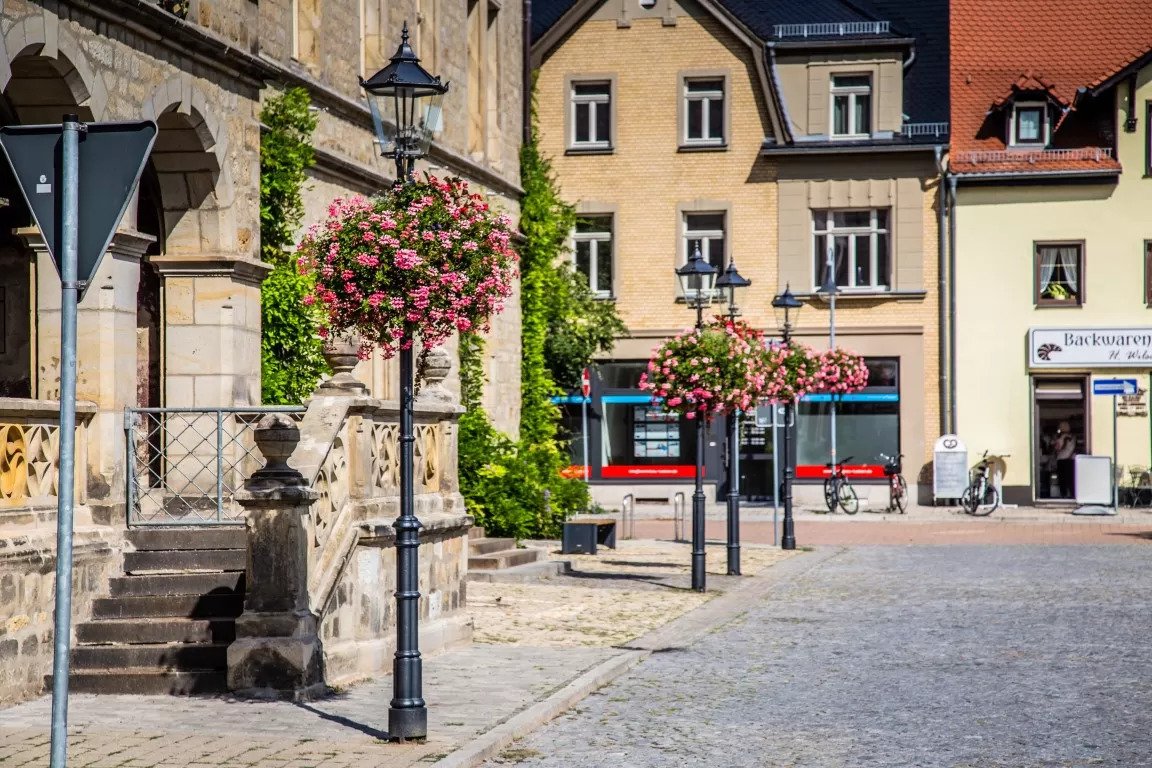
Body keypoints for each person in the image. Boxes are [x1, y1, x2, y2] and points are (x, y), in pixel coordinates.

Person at [1053, 421, 1077, 499]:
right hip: (1071, 459)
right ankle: (1073, 494)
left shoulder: (1061, 437)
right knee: (1071, 478)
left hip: (1062, 459)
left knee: (1062, 479)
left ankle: (1063, 494)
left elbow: (1058, 447)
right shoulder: (1073, 437)